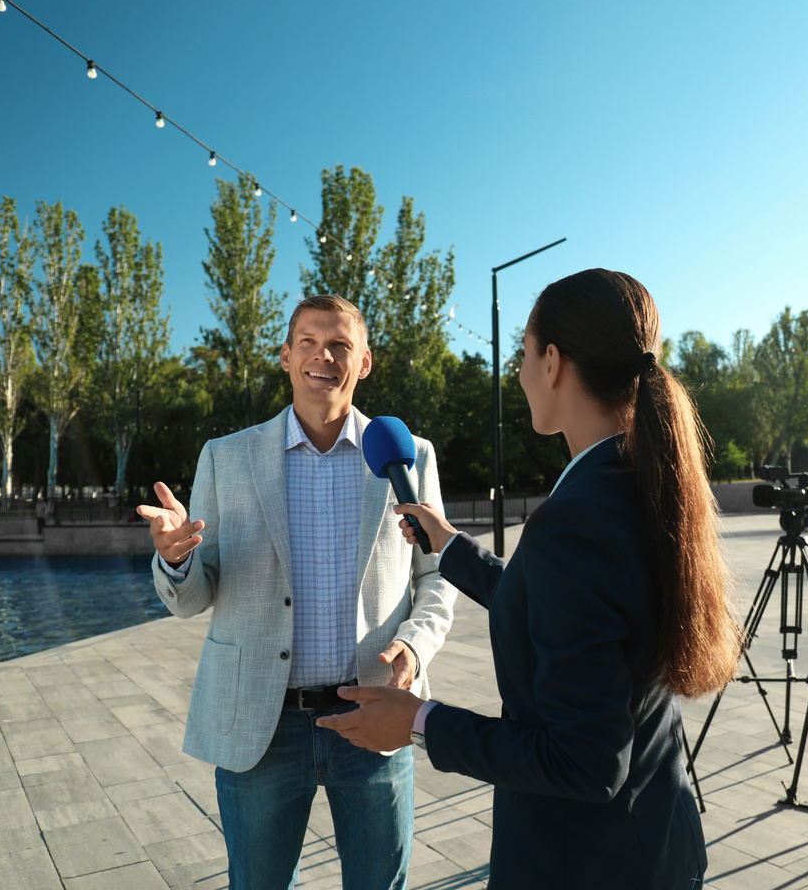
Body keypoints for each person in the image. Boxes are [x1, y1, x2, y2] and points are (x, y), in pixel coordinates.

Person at [318, 268, 741, 889]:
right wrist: (452, 546)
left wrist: (419, 722)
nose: (516, 375)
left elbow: (587, 762)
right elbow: (561, 603)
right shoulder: (638, 483)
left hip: (586, 864)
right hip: (655, 842)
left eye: (521, 354)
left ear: (552, 362)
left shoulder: (575, 520)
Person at [137, 293, 456, 890]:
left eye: (340, 344)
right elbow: (192, 598)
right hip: (261, 723)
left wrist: (414, 647)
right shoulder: (225, 458)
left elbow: (436, 576)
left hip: (376, 717)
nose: (322, 356)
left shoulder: (411, 457)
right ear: (285, 356)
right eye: (308, 342)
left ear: (364, 363)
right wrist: (176, 558)